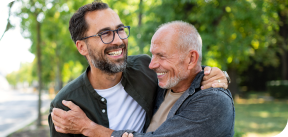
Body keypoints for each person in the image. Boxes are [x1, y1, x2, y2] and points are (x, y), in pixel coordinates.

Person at [49, 1, 230, 137]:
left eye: (120, 30)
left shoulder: (144, 68)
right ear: (81, 47)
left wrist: (216, 74)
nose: (118, 40)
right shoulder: (66, 105)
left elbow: (183, 69)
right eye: (105, 34)